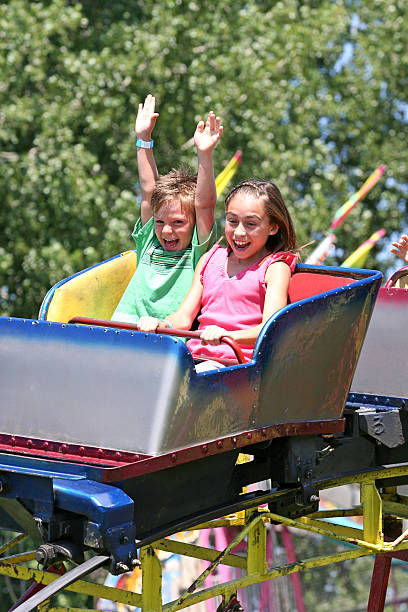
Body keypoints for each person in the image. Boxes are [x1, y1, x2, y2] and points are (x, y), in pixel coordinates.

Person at [137, 178, 298, 369]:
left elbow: (270, 327)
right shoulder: (210, 259)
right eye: (232, 221)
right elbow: (183, 318)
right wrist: (161, 324)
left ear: (273, 227)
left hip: (233, 365)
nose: (239, 232)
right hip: (193, 358)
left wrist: (227, 336)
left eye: (251, 224)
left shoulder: (275, 268)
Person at [112, 94, 223, 323]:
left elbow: (204, 205)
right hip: (122, 334)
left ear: (193, 226)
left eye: (178, 223)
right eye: (161, 222)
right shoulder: (149, 243)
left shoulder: (196, 254)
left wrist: (205, 155)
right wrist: (144, 138)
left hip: (165, 338)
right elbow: (148, 191)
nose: (166, 231)